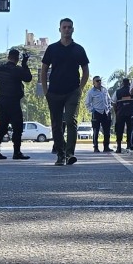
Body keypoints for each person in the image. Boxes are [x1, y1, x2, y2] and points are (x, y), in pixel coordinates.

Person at [38, 18, 90, 166]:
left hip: (72, 91)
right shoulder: (52, 49)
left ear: (73, 29)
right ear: (59, 29)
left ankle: (70, 153)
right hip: (54, 92)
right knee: (56, 124)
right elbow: (44, 69)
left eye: (69, 27)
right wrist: (45, 90)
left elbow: (85, 70)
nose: (67, 29)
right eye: (64, 27)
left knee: (71, 121)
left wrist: (80, 88)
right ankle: (60, 154)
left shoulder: (78, 49)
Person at [0, 48, 33, 160]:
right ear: (17, 59)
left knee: (2, 126)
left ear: (8, 57)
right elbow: (28, 78)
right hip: (13, 101)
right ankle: (16, 152)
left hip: (2, 101)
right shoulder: (17, 70)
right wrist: (25, 64)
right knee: (17, 127)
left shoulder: (0, 69)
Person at [84, 76, 113, 152]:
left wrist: (109, 108)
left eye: (100, 80)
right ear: (93, 83)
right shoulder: (91, 92)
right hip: (97, 112)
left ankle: (106, 147)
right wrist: (92, 110)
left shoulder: (105, 90)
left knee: (107, 131)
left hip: (106, 112)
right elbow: (87, 103)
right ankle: (96, 147)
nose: (99, 82)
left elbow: (109, 100)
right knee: (96, 130)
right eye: (97, 81)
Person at [112, 76, 133, 153]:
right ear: (129, 83)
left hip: (120, 113)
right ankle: (129, 145)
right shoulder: (132, 91)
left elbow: (114, 103)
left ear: (122, 83)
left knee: (119, 130)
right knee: (130, 129)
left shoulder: (118, 92)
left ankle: (119, 147)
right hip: (130, 113)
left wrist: (116, 112)